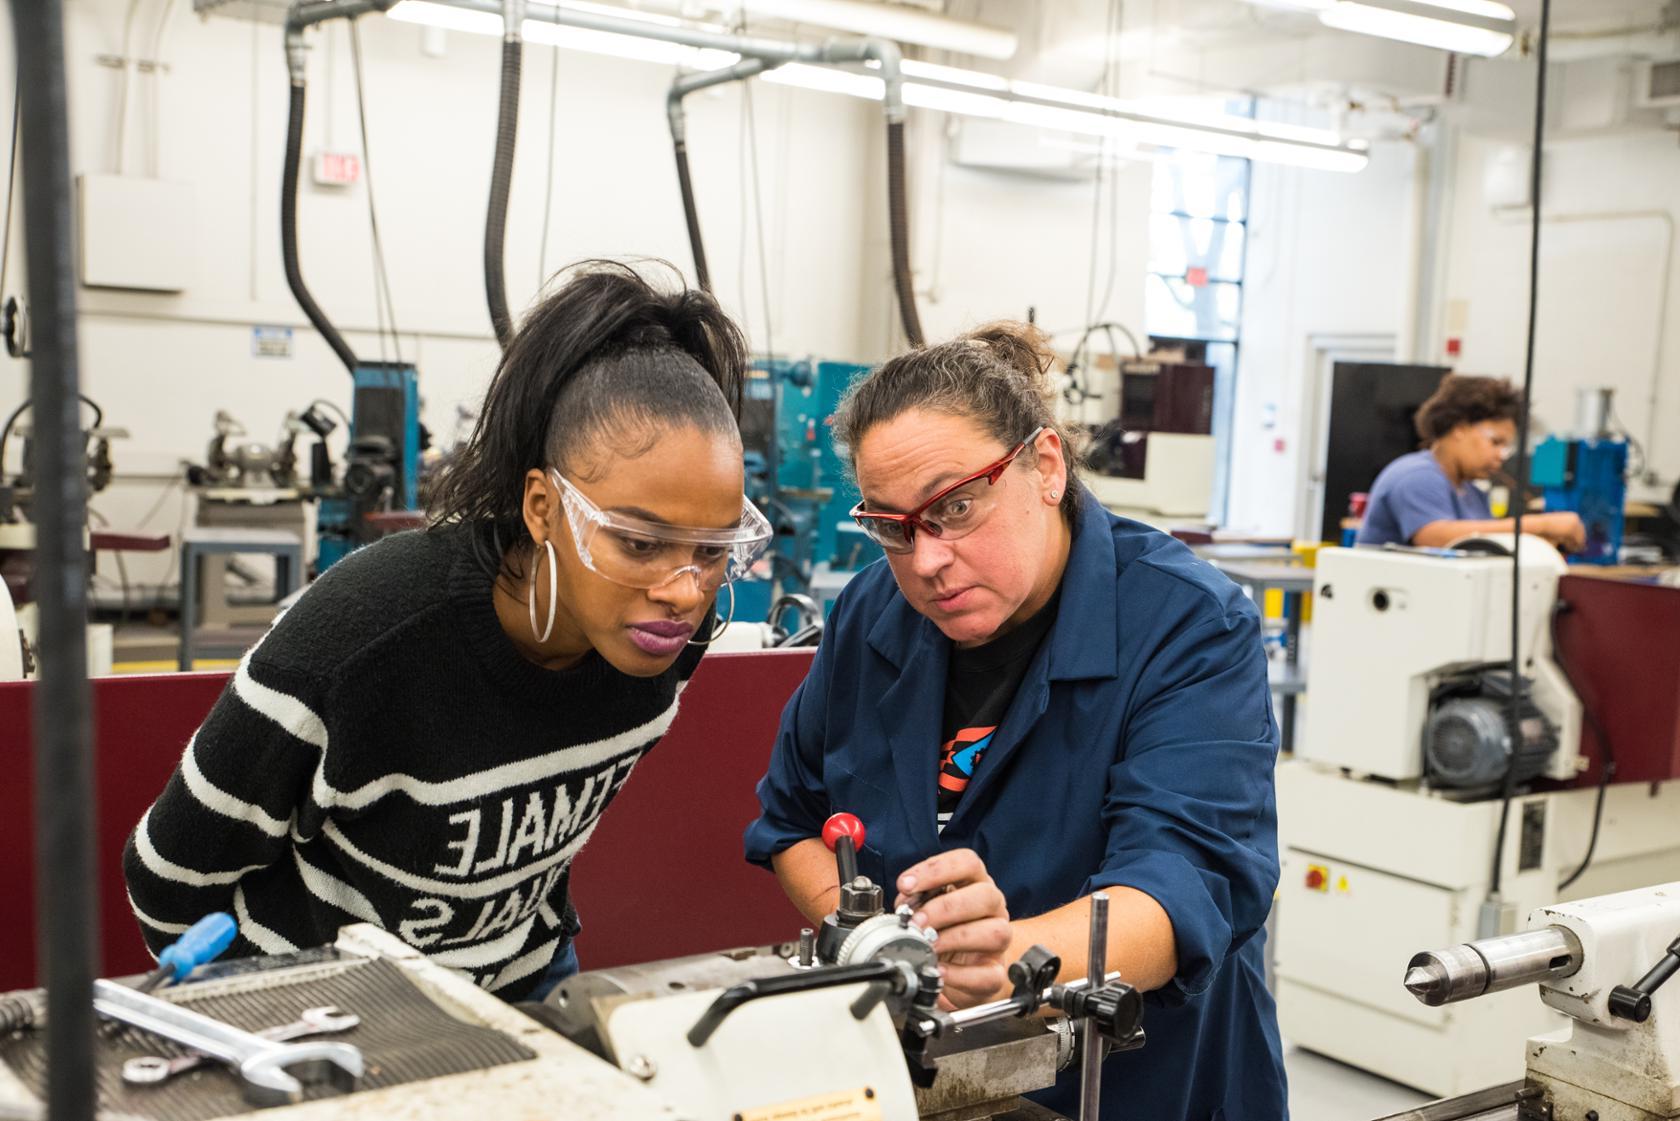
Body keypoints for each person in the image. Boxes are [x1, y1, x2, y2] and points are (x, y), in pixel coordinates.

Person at [124, 261, 770, 1000]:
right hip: (332, 1012)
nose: (683, 591)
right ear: (543, 507)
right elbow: (169, 876)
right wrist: (283, 1014)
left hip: (522, 988)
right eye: (639, 542)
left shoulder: (670, 637)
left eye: (714, 551)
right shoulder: (361, 638)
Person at [744, 323, 1286, 1120]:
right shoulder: (872, 612)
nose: (925, 561)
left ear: (1046, 466)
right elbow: (791, 822)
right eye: (892, 527)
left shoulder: (1187, 625)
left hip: (1137, 1087)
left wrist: (1008, 964)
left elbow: (1179, 886)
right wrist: (881, 950)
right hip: (936, 1085)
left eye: (955, 507)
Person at [1356, 373, 1585, 551]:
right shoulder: (1416, 476)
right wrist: (1542, 525)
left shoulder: (1472, 494)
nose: (1501, 455)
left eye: (1506, 447)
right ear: (1459, 429)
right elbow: (1435, 538)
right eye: (1495, 442)